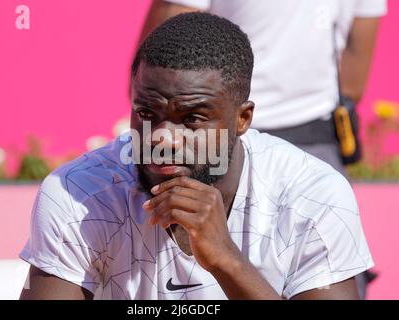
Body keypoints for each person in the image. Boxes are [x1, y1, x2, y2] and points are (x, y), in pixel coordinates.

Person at [20, 13, 373, 300]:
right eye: (146, 113)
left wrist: (226, 259)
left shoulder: (312, 194)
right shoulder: (81, 193)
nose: (162, 138)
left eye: (191, 119)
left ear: (242, 119)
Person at [137, 0, 386, 299]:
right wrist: (200, 118)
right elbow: (354, 77)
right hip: (243, 132)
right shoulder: (320, 184)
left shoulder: (318, 187)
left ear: (245, 118)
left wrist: (200, 118)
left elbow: (161, 68)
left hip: (229, 133)